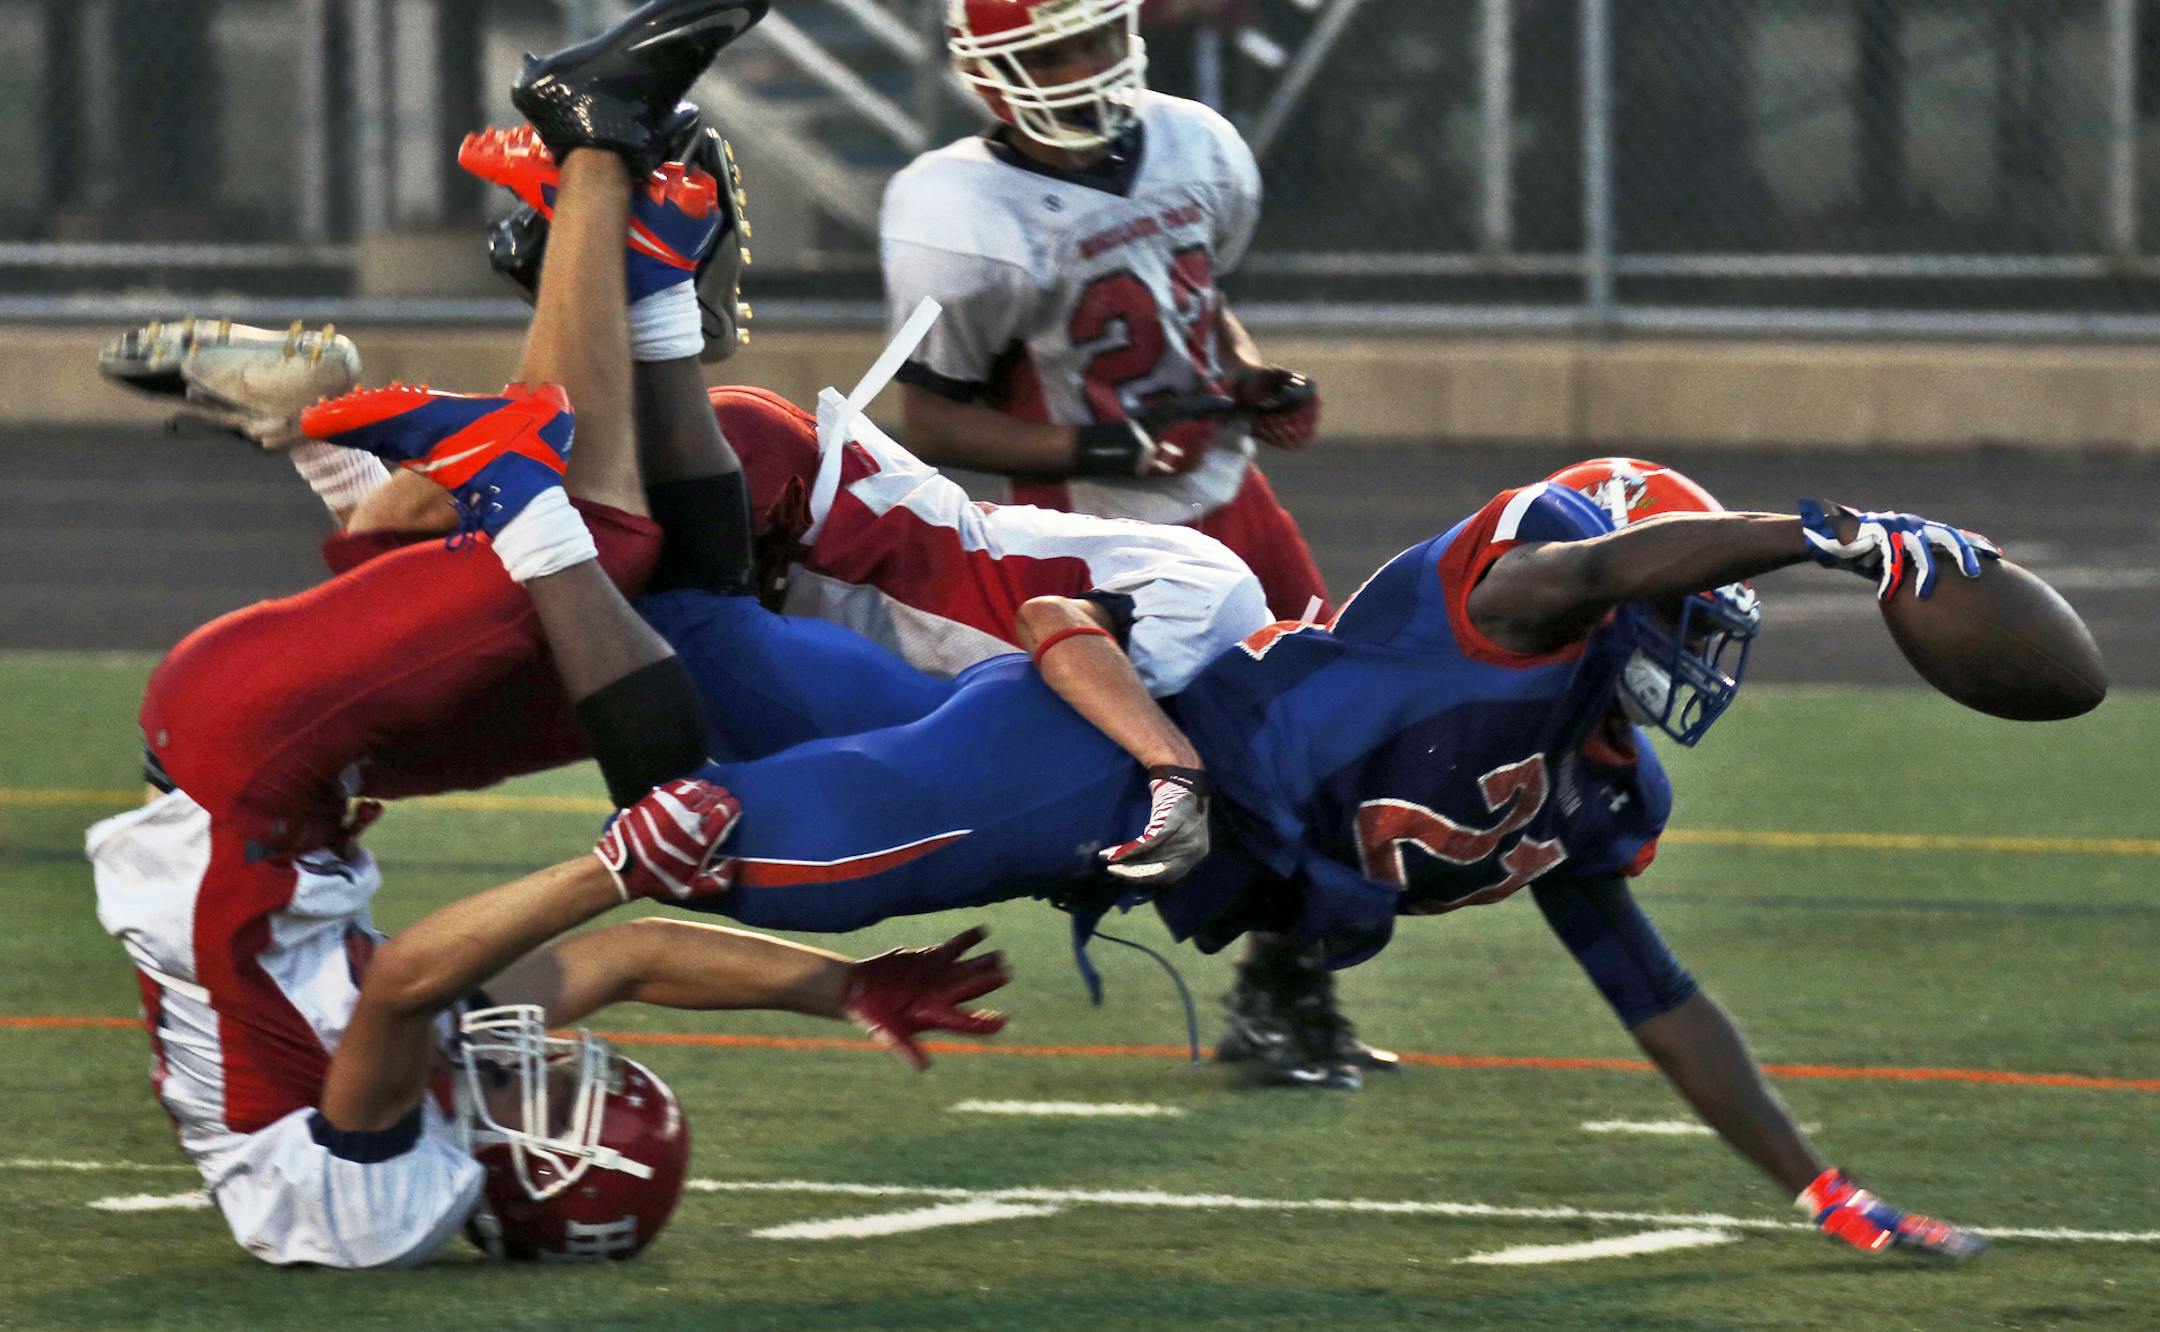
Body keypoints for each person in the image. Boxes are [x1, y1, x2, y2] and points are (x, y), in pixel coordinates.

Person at [80, 0, 1002, 1270]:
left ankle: (592, 156)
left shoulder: (363, 1218)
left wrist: (611, 862)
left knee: (591, 541)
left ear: (538, 1176)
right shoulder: (434, 1098)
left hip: (246, 759)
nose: (554, 1076)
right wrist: (838, 986)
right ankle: (599, 312)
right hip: (278, 773)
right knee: (671, 623)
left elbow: (408, 980)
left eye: (560, 1111)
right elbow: (623, 961)